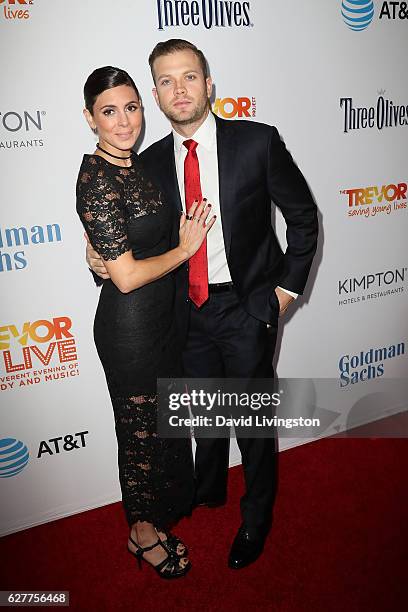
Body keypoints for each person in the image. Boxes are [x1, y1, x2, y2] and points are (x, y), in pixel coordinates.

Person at [87, 40, 319, 569]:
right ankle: (208, 489)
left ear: (208, 84)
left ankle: (257, 517)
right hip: (181, 313)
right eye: (166, 82)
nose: (179, 90)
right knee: (200, 412)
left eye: (188, 77)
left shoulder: (257, 142)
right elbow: (128, 245)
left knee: (253, 424)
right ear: (155, 94)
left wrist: (284, 292)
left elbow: (304, 219)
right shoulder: (144, 165)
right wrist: (97, 261)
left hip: (246, 307)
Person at [76, 65, 215, 579]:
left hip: (163, 323)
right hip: (130, 330)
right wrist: (184, 249)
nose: (124, 121)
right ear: (89, 118)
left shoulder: (138, 168)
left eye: (131, 107)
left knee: (161, 432)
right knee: (138, 438)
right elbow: (128, 277)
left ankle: (159, 516)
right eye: (109, 111)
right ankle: (140, 534)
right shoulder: (95, 180)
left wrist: (99, 260)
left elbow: (120, 253)